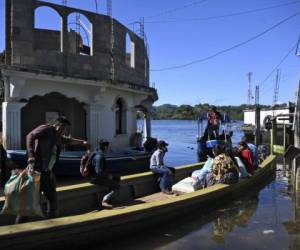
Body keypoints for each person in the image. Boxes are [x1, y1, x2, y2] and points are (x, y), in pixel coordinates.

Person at [16, 116, 89, 224]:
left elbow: (67, 141)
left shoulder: (57, 136)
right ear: (57, 125)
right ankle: (18, 228)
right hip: (36, 171)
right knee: (29, 204)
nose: (63, 130)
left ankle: (51, 225)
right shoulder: (46, 128)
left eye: (65, 129)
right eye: (63, 127)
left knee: (53, 200)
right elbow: (30, 136)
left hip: (46, 173)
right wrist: (31, 156)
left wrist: (82, 142)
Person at [90, 140, 120, 209]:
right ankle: (105, 201)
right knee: (117, 185)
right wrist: (109, 176)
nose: (109, 149)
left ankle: (112, 199)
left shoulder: (96, 152)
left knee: (117, 178)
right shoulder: (100, 157)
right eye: (108, 147)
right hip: (95, 178)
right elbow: (99, 172)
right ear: (105, 147)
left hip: (95, 176)